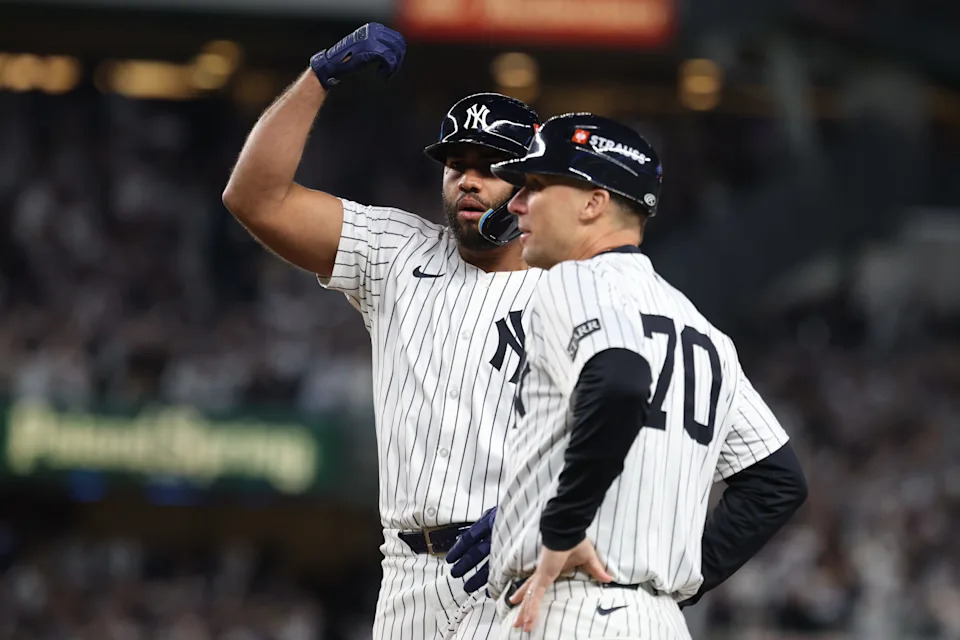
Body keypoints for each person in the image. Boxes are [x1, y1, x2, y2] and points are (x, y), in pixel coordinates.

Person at [221, 22, 542, 640]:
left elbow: (621, 437)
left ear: (529, 186)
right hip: (405, 576)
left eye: (489, 166)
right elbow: (253, 197)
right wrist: (318, 77)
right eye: (456, 164)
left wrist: (548, 516)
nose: (467, 179)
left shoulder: (570, 287)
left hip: (518, 565)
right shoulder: (395, 249)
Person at [481, 113, 808, 638]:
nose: (516, 202)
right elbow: (777, 481)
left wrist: (565, 525)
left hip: (569, 611)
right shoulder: (704, 332)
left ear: (593, 202)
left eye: (537, 185)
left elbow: (620, 380)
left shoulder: (574, 280)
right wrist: (681, 577)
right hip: (659, 622)